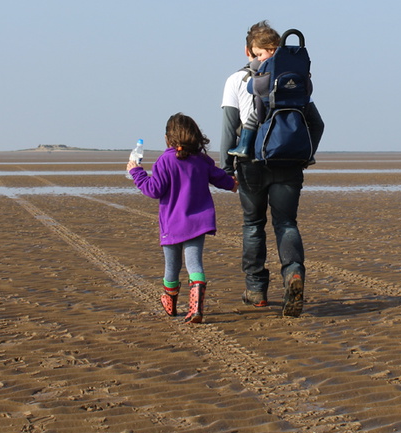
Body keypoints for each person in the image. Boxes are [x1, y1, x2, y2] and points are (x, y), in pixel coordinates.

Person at [221, 21, 324, 317]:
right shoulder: (295, 80)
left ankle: (256, 291)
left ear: (247, 49)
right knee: (286, 223)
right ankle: (293, 275)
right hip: (289, 162)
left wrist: (227, 168)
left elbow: (229, 128)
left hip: (251, 164)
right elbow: (317, 124)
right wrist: (306, 155)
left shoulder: (236, 80)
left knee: (253, 225)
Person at [128, 113, 237, 324]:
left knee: (172, 267)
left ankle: (170, 303)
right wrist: (233, 184)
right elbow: (220, 178)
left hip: (172, 224)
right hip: (198, 223)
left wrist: (136, 172)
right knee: (194, 264)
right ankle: (195, 308)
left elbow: (153, 189)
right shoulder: (202, 161)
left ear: (169, 138)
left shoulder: (165, 161)